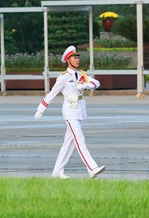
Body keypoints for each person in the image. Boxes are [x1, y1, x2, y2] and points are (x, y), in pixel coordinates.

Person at [34, 45, 106, 179]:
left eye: (78, 57)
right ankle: (92, 168)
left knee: (69, 143)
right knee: (80, 140)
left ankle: (57, 171)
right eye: (74, 57)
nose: (77, 59)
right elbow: (52, 93)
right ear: (68, 60)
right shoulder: (64, 77)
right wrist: (41, 109)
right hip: (70, 110)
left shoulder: (81, 74)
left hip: (80, 110)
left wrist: (86, 85)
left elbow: (97, 83)